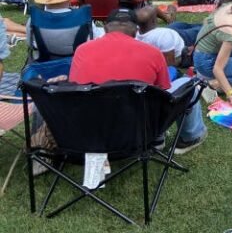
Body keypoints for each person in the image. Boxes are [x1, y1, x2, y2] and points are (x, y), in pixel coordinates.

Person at [69, 9, 207, 154]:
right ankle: (190, 136)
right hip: (140, 130)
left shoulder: (82, 51)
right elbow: (163, 92)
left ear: (105, 28)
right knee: (188, 84)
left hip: (93, 131)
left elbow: (74, 88)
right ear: (136, 31)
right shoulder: (153, 53)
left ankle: (158, 138)